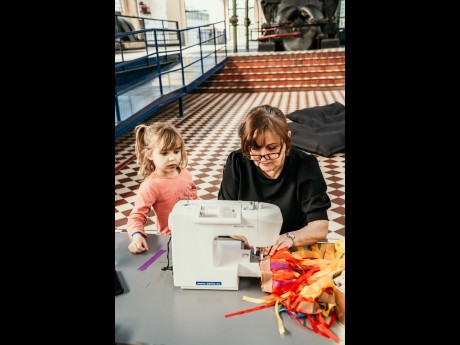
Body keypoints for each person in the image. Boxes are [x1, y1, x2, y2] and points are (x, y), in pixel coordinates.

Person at [218, 105, 331, 256]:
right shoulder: (237, 162)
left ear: (287, 139)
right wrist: (249, 239)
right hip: (248, 246)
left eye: (272, 148)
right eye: (255, 149)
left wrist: (289, 238)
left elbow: (319, 227)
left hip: (293, 248)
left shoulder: (305, 165)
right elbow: (224, 216)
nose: (263, 157)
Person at [127, 122, 198, 254]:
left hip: (195, 234)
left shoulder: (185, 173)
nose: (172, 158)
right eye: (164, 153)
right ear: (149, 154)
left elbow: (194, 197)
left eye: (176, 151)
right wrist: (137, 235)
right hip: (170, 241)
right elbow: (136, 216)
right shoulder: (151, 185)